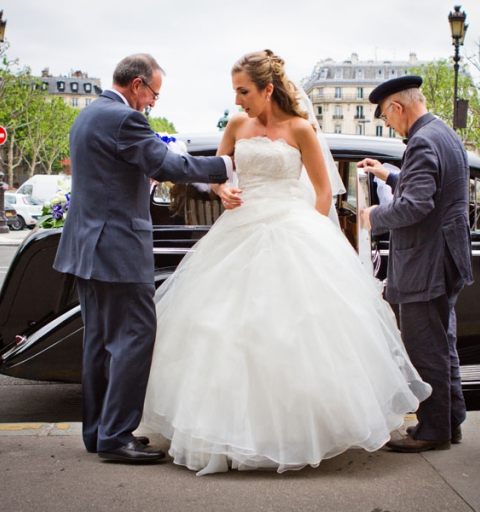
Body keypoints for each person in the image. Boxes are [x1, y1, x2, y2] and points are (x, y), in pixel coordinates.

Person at [141, 49, 431, 475]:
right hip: (240, 230)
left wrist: (308, 232)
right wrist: (223, 193)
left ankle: (294, 434)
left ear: (267, 89)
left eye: (244, 91)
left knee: (294, 335)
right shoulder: (237, 125)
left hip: (292, 230)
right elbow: (217, 174)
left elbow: (323, 192)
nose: (238, 100)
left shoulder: (301, 129)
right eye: (235, 91)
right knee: (224, 330)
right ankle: (224, 433)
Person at [52, 54, 232, 464]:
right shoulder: (123, 119)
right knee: (135, 337)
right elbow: (165, 163)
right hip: (115, 247)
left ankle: (100, 433)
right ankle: (117, 435)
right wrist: (226, 164)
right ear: (136, 85)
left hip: (87, 248)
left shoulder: (89, 115)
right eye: (154, 93)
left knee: (99, 342)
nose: (153, 102)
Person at [360, 75, 474, 453]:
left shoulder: (422, 141)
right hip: (446, 255)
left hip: (426, 258)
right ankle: (448, 421)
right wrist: (389, 173)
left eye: (386, 117)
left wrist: (374, 214)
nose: (389, 124)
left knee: (425, 346)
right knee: (444, 342)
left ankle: (432, 430)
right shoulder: (442, 133)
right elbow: (428, 188)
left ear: (397, 106)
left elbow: (415, 205)